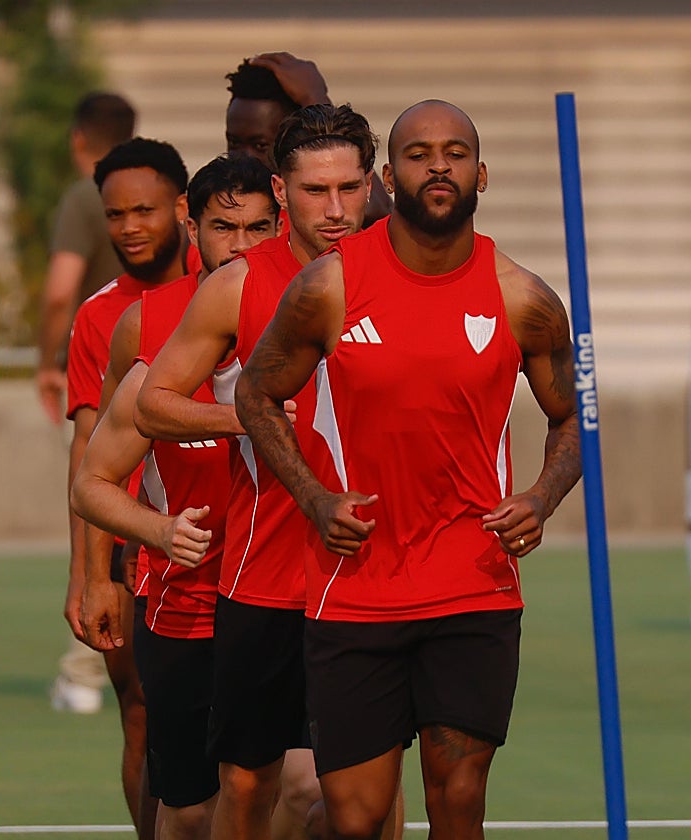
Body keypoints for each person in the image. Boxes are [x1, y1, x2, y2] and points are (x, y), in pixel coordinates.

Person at [233, 99, 582, 840]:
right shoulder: (329, 285)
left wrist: (542, 497)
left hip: (473, 586)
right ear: (390, 177)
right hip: (355, 588)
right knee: (356, 821)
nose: (439, 166)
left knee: (459, 803)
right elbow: (257, 394)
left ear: (481, 173)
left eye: (456, 152)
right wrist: (314, 496)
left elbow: (575, 415)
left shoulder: (522, 297)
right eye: (420, 154)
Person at [136, 104, 402, 840]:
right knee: (246, 787)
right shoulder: (239, 284)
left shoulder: (402, 271)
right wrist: (245, 417)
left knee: (373, 788)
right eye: (316, 191)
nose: (337, 209)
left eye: (350, 188)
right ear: (282, 192)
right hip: (264, 575)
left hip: (372, 573)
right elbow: (153, 405)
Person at [73, 154, 281, 839]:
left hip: (290, 598)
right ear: (194, 227)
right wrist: (128, 553)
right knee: (190, 813)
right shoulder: (145, 324)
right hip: (183, 603)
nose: (241, 247)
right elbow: (96, 474)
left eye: (258, 229)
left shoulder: (309, 314)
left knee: (317, 791)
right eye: (225, 228)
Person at [63, 137, 195, 839]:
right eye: (115, 215)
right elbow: (89, 450)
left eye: (144, 210)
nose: (130, 228)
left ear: (181, 207)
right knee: (142, 715)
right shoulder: (99, 315)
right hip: (137, 554)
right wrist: (89, 575)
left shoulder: (228, 285)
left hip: (236, 550)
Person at [39, 91, 137, 716]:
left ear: (79, 139)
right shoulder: (151, 192)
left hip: (101, 372)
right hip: (165, 370)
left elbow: (58, 291)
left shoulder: (85, 196)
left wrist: (46, 361)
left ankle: (84, 665)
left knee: (94, 491)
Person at [224, 53, 393, 225]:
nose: (243, 156)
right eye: (234, 143)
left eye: (260, 145)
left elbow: (376, 210)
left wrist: (313, 98)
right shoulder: (213, 202)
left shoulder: (314, 213)